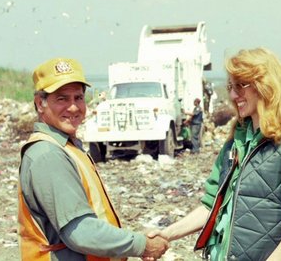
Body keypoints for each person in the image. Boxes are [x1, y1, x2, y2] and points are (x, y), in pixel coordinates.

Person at [149, 47, 281, 261]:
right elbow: (211, 205)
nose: (233, 95)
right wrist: (167, 234)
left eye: (242, 85)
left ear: (267, 86)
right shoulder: (237, 141)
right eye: (231, 86)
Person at [18, 57, 169, 260]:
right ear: (40, 103)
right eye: (62, 99)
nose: (73, 108)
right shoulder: (48, 155)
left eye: (78, 98)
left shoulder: (67, 147)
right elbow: (80, 232)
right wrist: (141, 245)